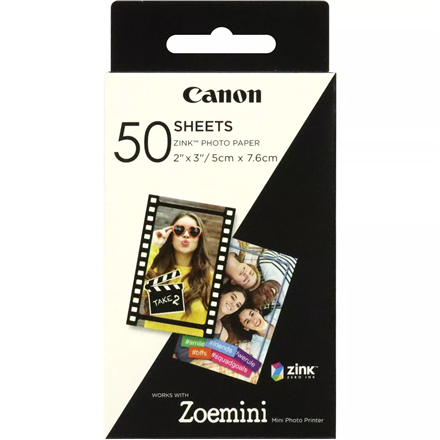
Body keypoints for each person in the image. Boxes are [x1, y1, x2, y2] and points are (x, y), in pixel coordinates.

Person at [142, 211, 213, 324]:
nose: (186, 235)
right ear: (171, 235)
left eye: (193, 231)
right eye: (179, 230)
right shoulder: (154, 272)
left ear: (199, 239)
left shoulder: (210, 278)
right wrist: (153, 246)